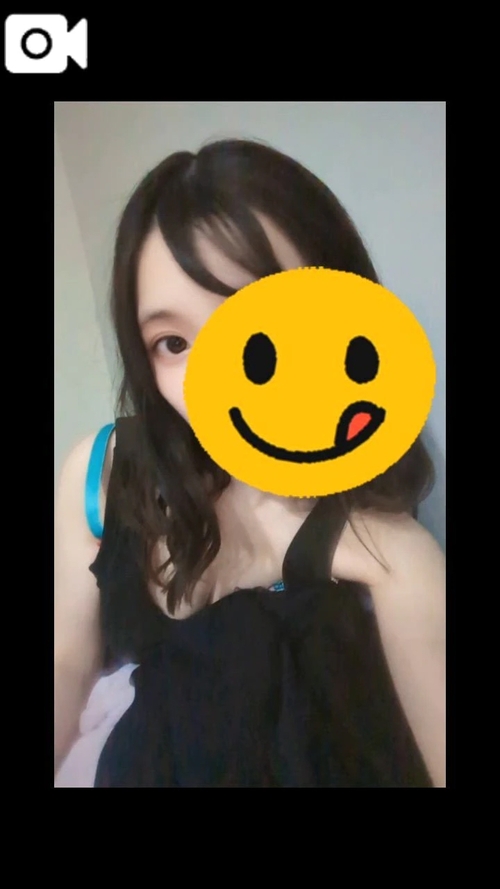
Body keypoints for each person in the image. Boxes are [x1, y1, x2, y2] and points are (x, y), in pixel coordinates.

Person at [55, 138, 445, 788]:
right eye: (173, 342)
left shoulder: (391, 549)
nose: (212, 383)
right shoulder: (101, 476)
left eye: (257, 340)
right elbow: (66, 662)